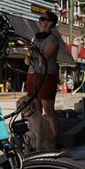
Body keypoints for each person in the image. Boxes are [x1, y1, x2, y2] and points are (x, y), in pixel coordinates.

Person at [26, 10, 62, 149]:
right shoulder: (35, 38)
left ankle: (55, 138)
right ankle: (36, 138)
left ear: (50, 23)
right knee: (35, 108)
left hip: (46, 75)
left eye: (43, 19)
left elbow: (44, 57)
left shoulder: (52, 39)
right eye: (40, 18)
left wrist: (32, 51)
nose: (40, 21)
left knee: (48, 108)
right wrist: (28, 55)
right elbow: (27, 62)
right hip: (32, 73)